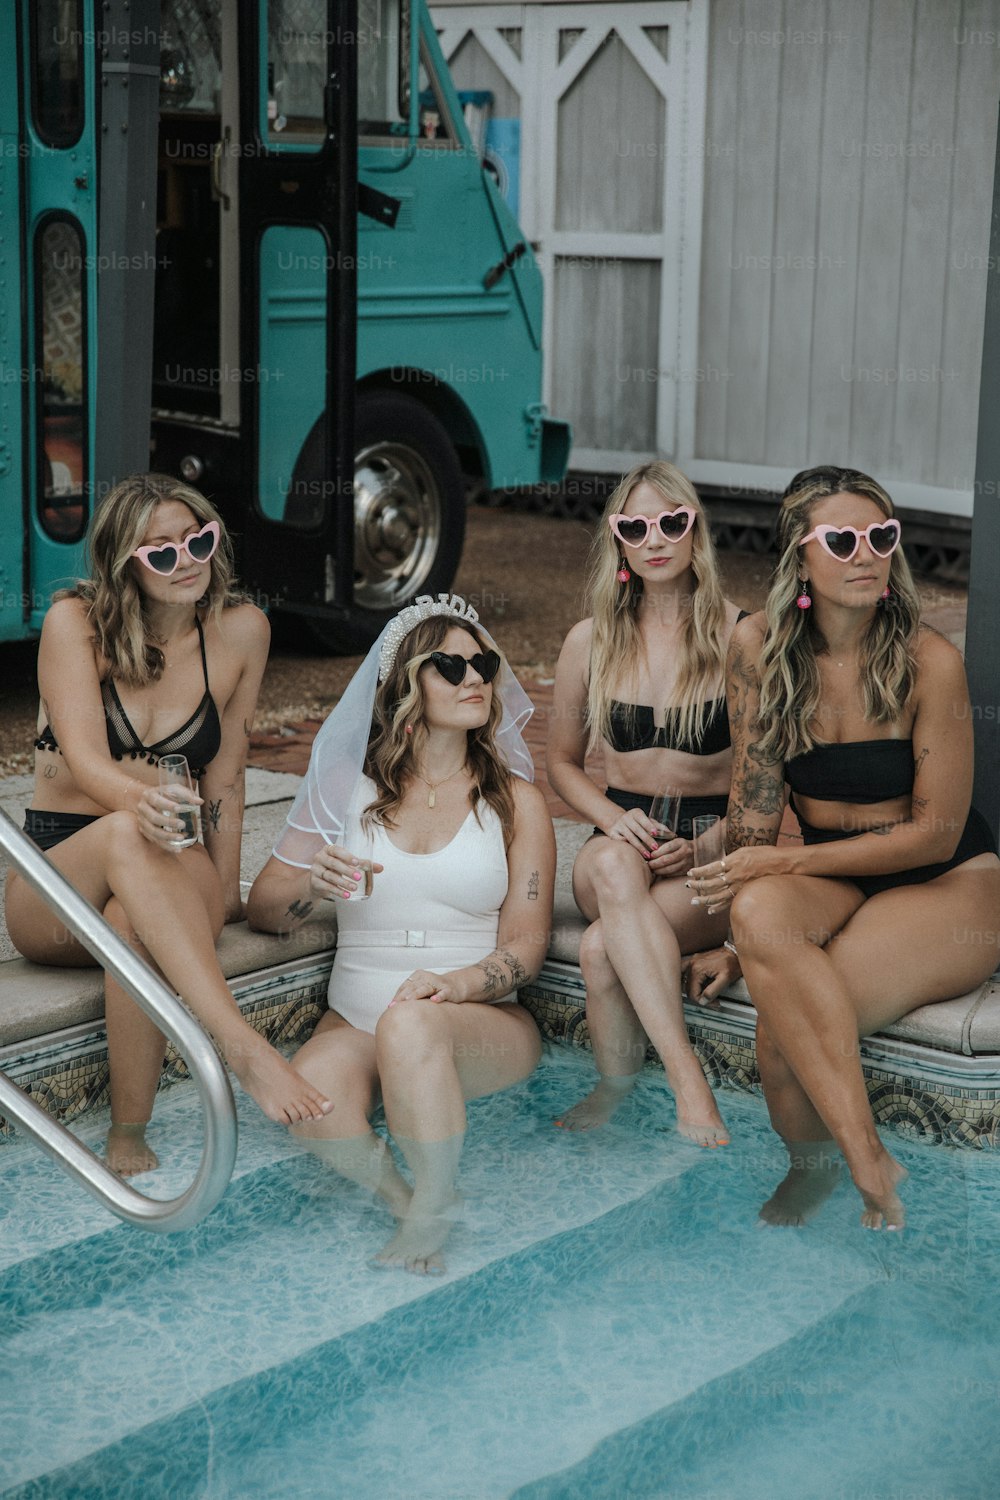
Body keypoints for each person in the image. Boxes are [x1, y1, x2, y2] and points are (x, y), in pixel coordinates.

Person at [688, 465, 1000, 1231]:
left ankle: (854, 1163)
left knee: (783, 1032)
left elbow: (933, 830)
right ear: (800, 555)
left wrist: (785, 864)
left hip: (948, 881)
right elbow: (755, 814)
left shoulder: (931, 661)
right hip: (839, 872)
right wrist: (744, 945)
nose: (867, 554)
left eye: (882, 537)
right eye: (843, 539)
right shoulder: (757, 648)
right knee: (760, 912)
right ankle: (835, 1164)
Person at [6, 473, 332, 1177]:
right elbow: (89, 762)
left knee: (135, 922)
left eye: (199, 541)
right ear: (125, 564)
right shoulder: (75, 624)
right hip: (57, 883)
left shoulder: (242, 631)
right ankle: (242, 1049)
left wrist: (219, 885)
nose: (186, 560)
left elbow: (226, 779)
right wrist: (136, 799)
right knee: (127, 835)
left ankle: (129, 1129)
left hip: (170, 868)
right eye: (160, 553)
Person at [248, 594, 555, 1276]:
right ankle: (404, 1198)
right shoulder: (344, 789)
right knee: (309, 1098)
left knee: (411, 1025)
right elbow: (265, 908)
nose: (476, 677)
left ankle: (438, 1201)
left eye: (485, 663)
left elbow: (527, 948)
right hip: (356, 1023)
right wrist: (312, 889)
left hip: (474, 1021)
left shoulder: (515, 801)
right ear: (406, 683)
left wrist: (455, 985)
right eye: (451, 664)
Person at [545, 461, 747, 1146]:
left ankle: (616, 1087)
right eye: (636, 525)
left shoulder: (740, 636)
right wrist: (611, 819)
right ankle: (691, 1082)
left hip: (707, 847)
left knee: (603, 948)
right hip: (618, 838)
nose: (654, 538)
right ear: (618, 540)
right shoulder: (590, 640)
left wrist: (709, 844)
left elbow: (764, 788)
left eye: (671, 522)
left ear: (696, 529)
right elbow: (563, 765)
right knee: (609, 871)